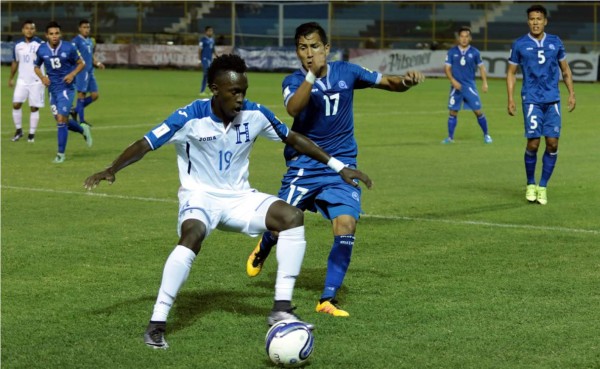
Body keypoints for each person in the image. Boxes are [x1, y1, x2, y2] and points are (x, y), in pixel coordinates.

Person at [83, 54, 372, 349]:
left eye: (243, 91)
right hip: (200, 197)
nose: (240, 98)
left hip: (240, 198)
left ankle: (280, 309)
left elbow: (294, 139)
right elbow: (145, 143)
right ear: (214, 89)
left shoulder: (255, 114)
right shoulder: (189, 117)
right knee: (192, 235)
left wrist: (339, 167)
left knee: (291, 217)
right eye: (234, 92)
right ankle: (157, 323)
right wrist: (112, 169)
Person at [246, 22, 424, 318]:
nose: (309, 53)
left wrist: (406, 82)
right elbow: (293, 109)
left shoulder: (348, 72)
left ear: (326, 49)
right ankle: (265, 245)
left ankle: (327, 298)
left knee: (346, 224)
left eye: (315, 46)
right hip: (304, 164)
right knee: (282, 221)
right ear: (296, 52)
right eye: (303, 48)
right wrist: (310, 77)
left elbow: (389, 82)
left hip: (342, 166)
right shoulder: (293, 81)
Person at [507, 4, 576, 205]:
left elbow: (565, 70)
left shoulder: (555, 42)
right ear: (528, 21)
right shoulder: (519, 44)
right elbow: (511, 72)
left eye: (539, 19)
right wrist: (510, 98)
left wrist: (571, 93)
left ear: (545, 21)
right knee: (534, 143)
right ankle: (530, 183)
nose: (535, 22)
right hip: (531, 99)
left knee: (553, 143)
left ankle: (543, 186)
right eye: (532, 19)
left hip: (553, 99)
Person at [34, 21, 92, 163]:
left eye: (57, 33)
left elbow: (81, 63)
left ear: (60, 34)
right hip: (52, 90)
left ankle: (61, 154)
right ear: (47, 35)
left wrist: (72, 75)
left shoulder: (69, 47)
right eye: (51, 34)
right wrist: (42, 77)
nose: (54, 36)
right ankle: (82, 130)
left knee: (61, 120)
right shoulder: (42, 49)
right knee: (62, 121)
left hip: (66, 88)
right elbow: (36, 66)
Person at [442, 26, 491, 144]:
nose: (464, 39)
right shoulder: (452, 52)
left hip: (469, 86)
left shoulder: (475, 52)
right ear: (459, 38)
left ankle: (486, 135)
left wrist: (485, 82)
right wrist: (453, 81)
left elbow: (482, 68)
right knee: (453, 112)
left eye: (466, 36)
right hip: (456, 86)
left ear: (470, 38)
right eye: (462, 36)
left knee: (478, 111)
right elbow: (447, 69)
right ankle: (450, 138)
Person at [8, 20, 44, 143]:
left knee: (34, 107)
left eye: (32, 28)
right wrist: (11, 78)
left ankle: (32, 134)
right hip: (22, 80)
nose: (29, 30)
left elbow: (47, 60)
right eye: (27, 28)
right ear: (23, 30)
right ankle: (19, 130)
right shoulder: (18, 45)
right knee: (16, 104)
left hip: (36, 81)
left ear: (35, 30)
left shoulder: (41, 44)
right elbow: (15, 62)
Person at [71, 19, 105, 126]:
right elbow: (72, 56)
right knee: (81, 94)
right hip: (81, 72)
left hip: (90, 71)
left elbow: (90, 55)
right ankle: (81, 121)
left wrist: (97, 63)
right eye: (84, 27)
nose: (86, 30)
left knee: (95, 95)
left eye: (88, 27)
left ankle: (75, 110)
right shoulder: (75, 41)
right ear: (80, 28)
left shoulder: (91, 41)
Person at [198, 26, 217, 96]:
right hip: (204, 59)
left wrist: (216, 55)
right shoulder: (202, 40)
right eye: (209, 31)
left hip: (210, 59)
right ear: (206, 32)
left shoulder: (212, 40)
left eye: (211, 31)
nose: (210, 32)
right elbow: (199, 50)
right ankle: (202, 91)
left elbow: (213, 49)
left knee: (209, 75)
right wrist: (199, 60)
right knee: (207, 73)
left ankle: (209, 91)